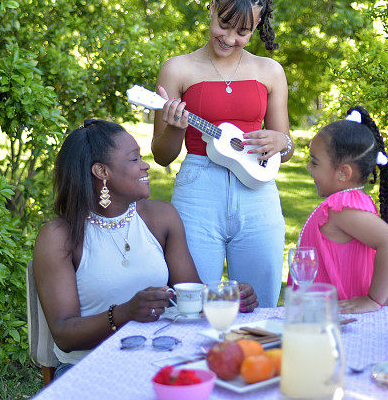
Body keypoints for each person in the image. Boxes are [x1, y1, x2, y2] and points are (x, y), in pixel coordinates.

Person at [33, 119, 258, 380]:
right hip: (88, 368)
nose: (145, 165)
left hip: (160, 358)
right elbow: (64, 334)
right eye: (134, 159)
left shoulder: (161, 217)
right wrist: (124, 313)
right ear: (101, 172)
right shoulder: (58, 237)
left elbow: (192, 297)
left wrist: (227, 298)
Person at [150, 0, 292, 308]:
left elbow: (283, 144)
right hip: (198, 189)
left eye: (243, 31)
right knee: (194, 302)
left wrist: (282, 144)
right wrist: (174, 127)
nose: (229, 39)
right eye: (224, 25)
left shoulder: (270, 71)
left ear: (257, 27)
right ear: (212, 8)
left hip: (258, 192)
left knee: (263, 302)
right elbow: (162, 155)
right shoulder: (177, 69)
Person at [293, 105, 388, 313]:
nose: (308, 168)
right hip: (325, 315)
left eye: (314, 163)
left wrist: (373, 300)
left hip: (338, 319)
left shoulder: (342, 207)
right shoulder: (346, 204)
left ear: (343, 173)